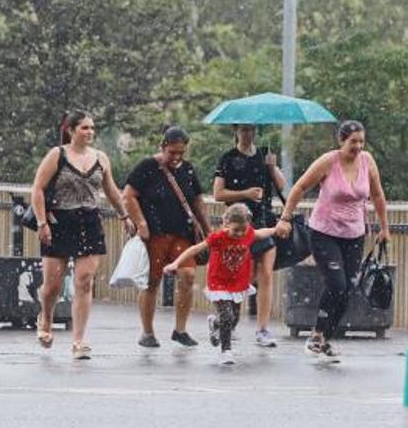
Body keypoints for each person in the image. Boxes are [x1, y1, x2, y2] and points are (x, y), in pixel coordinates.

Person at [274, 120, 391, 362]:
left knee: (348, 289)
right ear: (341, 141)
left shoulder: (367, 162)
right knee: (336, 284)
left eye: (361, 141)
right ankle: (316, 336)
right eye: (353, 142)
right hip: (324, 232)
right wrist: (285, 218)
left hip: (354, 234)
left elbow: (378, 195)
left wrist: (384, 227)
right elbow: (299, 187)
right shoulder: (329, 161)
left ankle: (325, 339)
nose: (358, 146)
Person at [29, 110, 135, 360]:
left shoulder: (101, 158)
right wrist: (43, 222)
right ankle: (45, 317)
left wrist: (124, 215)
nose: (89, 132)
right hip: (59, 221)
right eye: (84, 128)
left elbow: (111, 190)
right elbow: (38, 189)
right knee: (52, 286)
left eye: (92, 128)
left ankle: (79, 340)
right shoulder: (58, 155)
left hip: (89, 221)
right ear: (71, 130)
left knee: (84, 281)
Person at [123, 126, 211, 349]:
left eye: (181, 153)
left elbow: (198, 201)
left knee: (188, 275)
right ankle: (147, 332)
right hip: (155, 233)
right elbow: (129, 195)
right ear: (162, 147)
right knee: (152, 282)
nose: (176, 157)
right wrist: (141, 222)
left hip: (182, 233)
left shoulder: (188, 170)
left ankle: (180, 330)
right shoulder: (148, 167)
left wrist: (208, 230)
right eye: (172, 152)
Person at [164, 203, 278, 364]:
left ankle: (215, 323)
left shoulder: (248, 233)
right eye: (235, 230)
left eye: (242, 230)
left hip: (238, 283)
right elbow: (195, 249)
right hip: (219, 283)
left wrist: (276, 230)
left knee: (234, 318)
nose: (239, 234)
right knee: (228, 315)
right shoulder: (218, 238)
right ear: (226, 224)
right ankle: (226, 351)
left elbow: (260, 233)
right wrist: (176, 263)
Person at [212, 124, 287, 348]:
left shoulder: (264, 155)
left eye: (252, 129)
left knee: (266, 274)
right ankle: (225, 320)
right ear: (236, 131)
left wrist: (272, 168)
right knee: (242, 276)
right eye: (244, 130)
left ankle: (262, 329)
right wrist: (245, 193)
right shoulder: (228, 158)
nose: (248, 134)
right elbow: (217, 193)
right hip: (239, 226)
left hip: (264, 221)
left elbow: (282, 186)